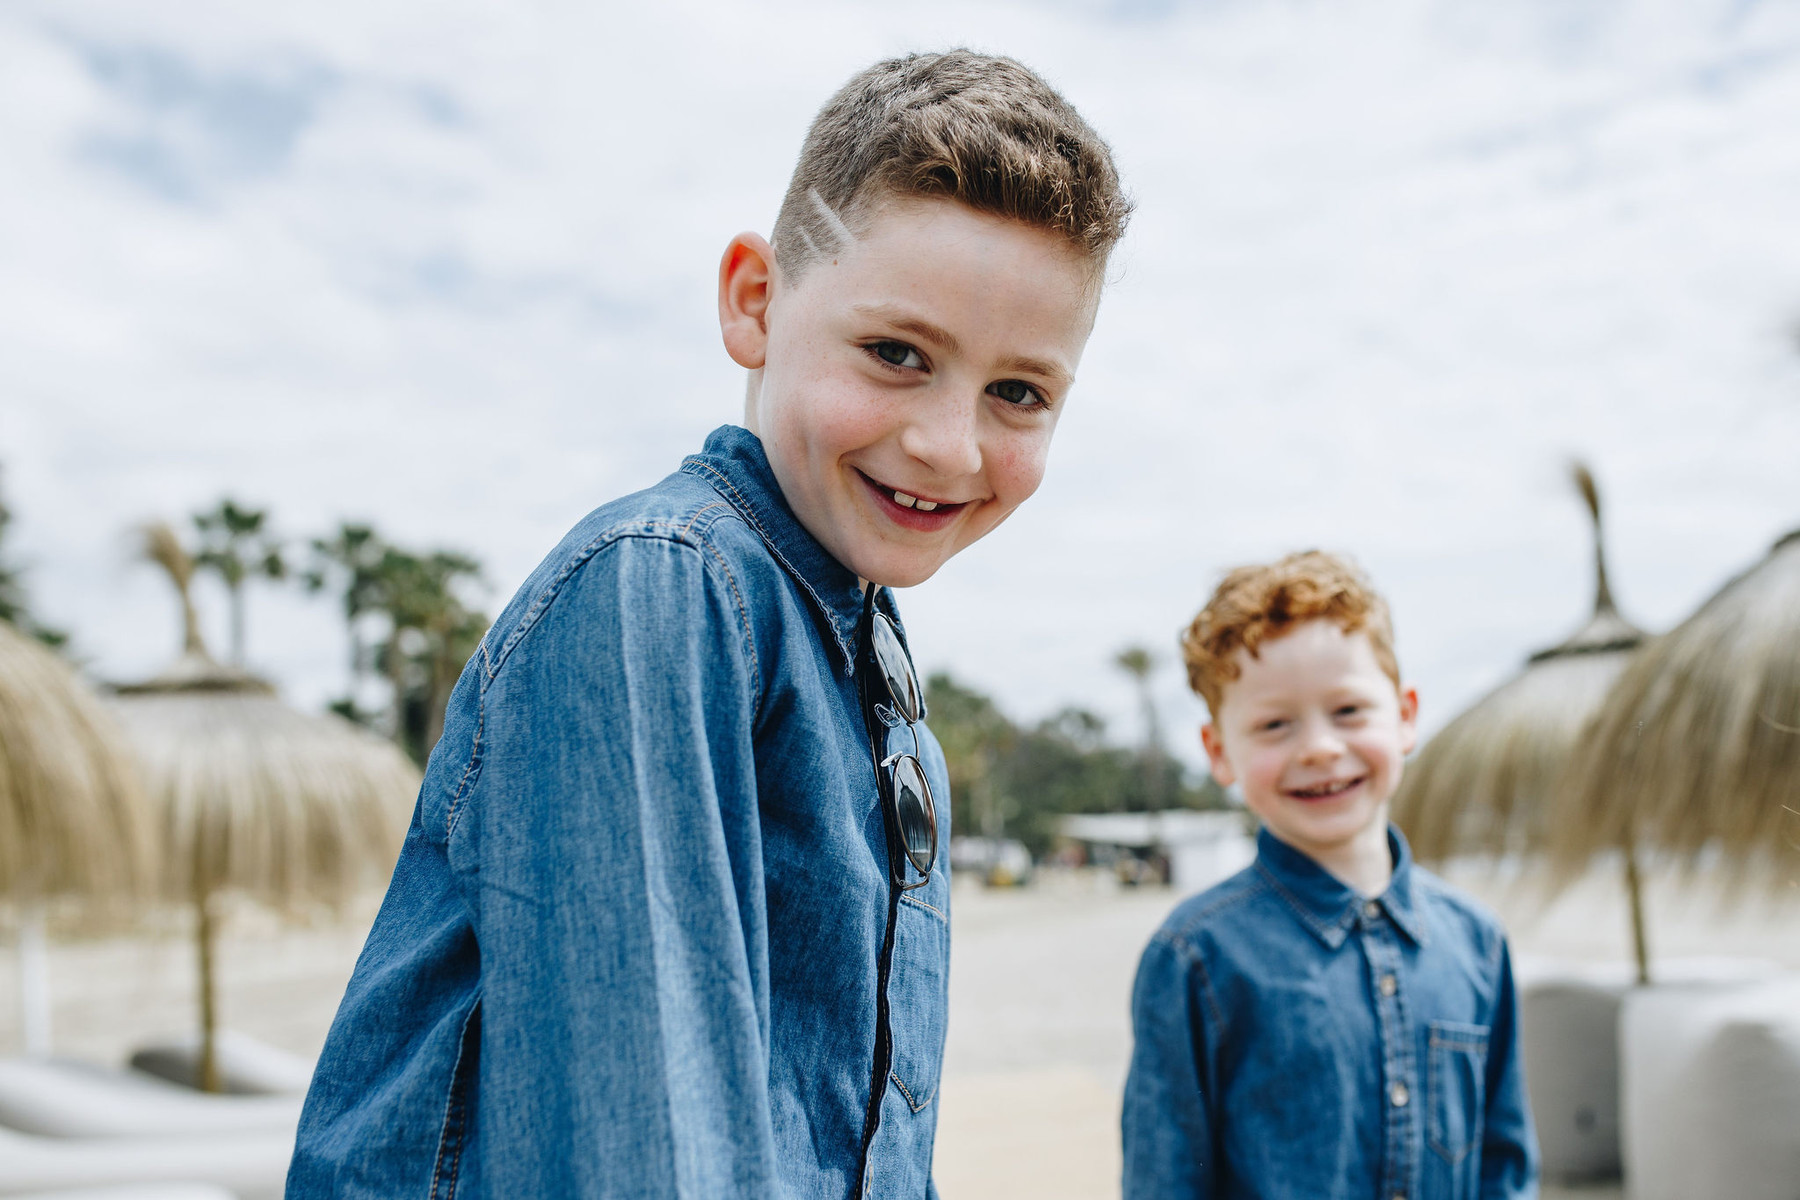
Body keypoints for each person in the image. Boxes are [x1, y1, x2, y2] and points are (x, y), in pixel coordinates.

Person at [287, 50, 1131, 1199]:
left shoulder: (882, 695)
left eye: (1018, 394)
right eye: (897, 354)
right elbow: (648, 1152)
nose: (949, 444)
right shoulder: (664, 591)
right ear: (755, 302)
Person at [1122, 551, 1538, 1200]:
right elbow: (1164, 1180)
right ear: (1218, 752)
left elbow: (1504, 1167)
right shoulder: (1195, 957)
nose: (1318, 747)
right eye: (1274, 724)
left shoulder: (1477, 941)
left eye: (1348, 711)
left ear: (1404, 715)